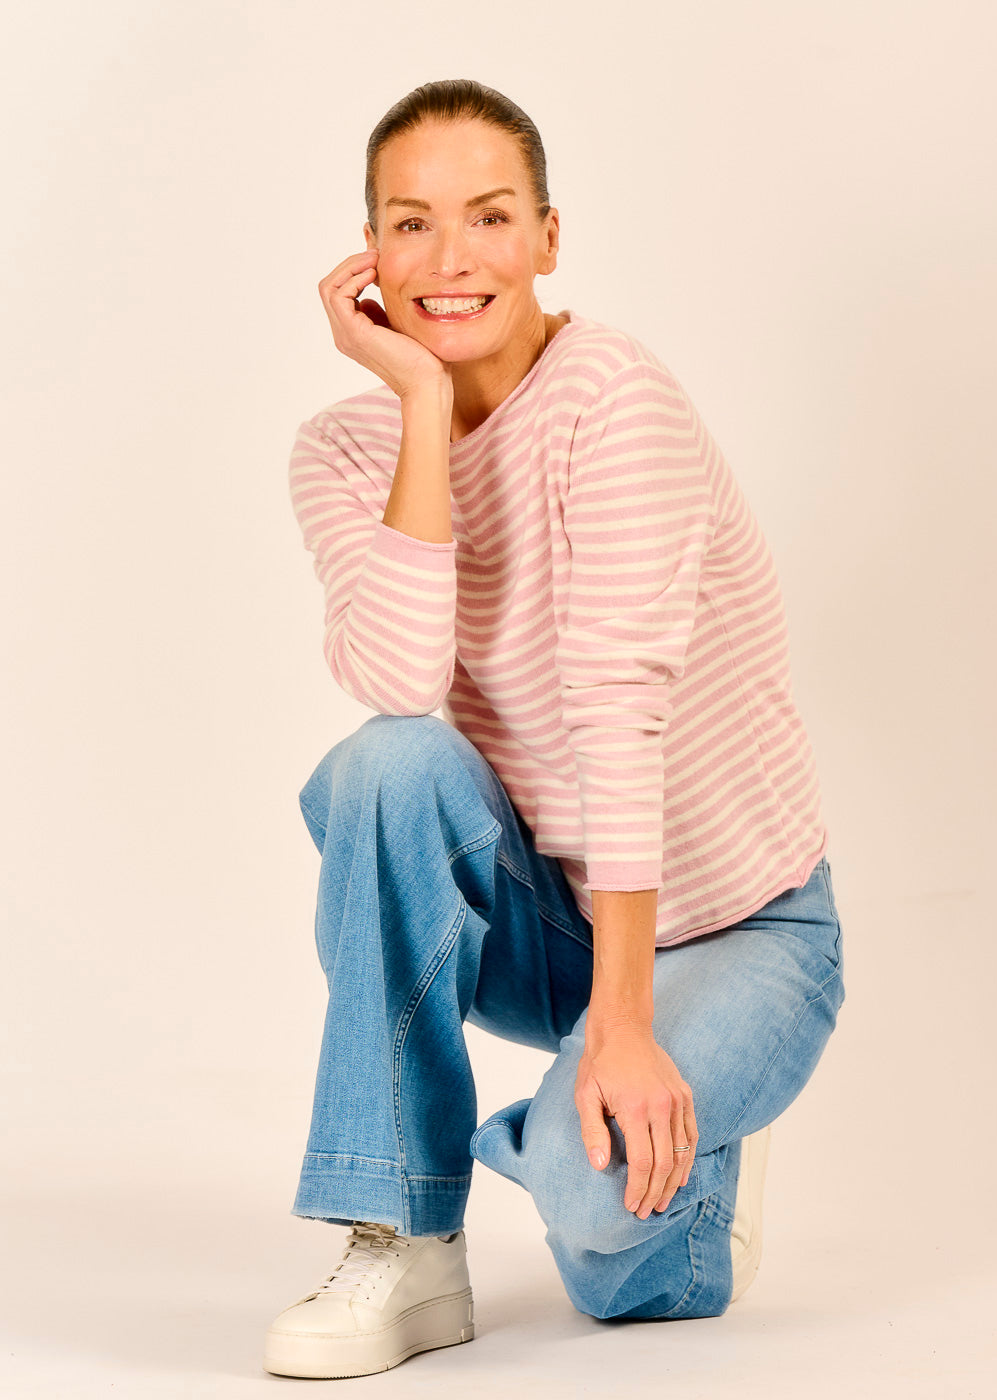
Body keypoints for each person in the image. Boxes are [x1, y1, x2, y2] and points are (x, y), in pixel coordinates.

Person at [262, 78, 846, 1380]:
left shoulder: (613, 397)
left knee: (600, 1227)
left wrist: (627, 1029)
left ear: (548, 237)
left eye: (489, 216)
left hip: (740, 925)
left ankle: (678, 1158)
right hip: (557, 920)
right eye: (410, 224)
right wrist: (423, 405)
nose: (450, 259)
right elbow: (402, 681)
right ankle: (406, 1232)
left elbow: (615, 710)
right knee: (384, 767)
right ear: (368, 254)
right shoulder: (343, 451)